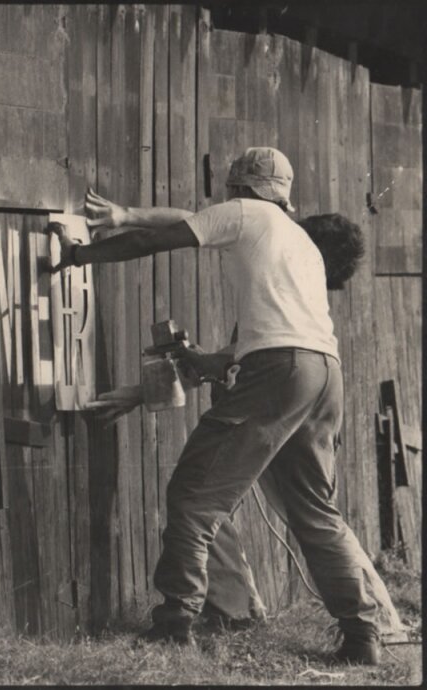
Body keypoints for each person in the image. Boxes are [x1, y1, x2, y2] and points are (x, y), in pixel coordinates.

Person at [50, 147, 387, 665]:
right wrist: (201, 360)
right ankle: (363, 637)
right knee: (315, 512)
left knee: (195, 493)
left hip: (281, 369)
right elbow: (273, 337)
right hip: (325, 373)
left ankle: (174, 623)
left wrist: (79, 256)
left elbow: (159, 237)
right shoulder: (298, 241)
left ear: (236, 188)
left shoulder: (245, 215)